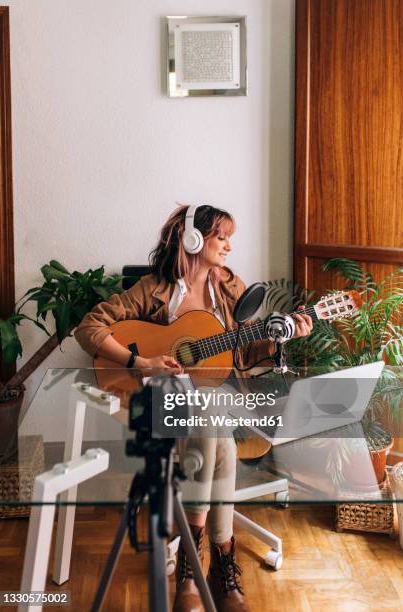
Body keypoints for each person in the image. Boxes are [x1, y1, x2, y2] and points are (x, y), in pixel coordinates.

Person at [75, 204, 313, 612]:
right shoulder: (153, 289)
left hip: (215, 403)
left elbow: (244, 348)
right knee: (213, 423)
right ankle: (223, 561)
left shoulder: (229, 288)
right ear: (194, 239)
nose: (230, 246)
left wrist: (279, 338)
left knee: (214, 425)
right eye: (222, 237)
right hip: (159, 401)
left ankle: (193, 562)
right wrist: (141, 362)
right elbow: (88, 328)